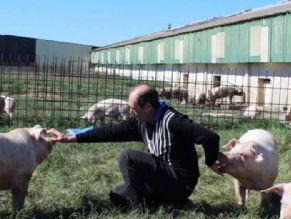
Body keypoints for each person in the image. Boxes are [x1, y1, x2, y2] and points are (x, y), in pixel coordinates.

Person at [53, 85, 222, 208]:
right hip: (162, 178)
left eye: (133, 108)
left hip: (180, 182)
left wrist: (210, 162)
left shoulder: (173, 121)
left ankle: (140, 209)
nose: (130, 111)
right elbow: (110, 131)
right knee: (117, 195)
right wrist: (72, 138)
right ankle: (173, 203)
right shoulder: (141, 121)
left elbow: (210, 137)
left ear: (147, 106)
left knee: (127, 156)